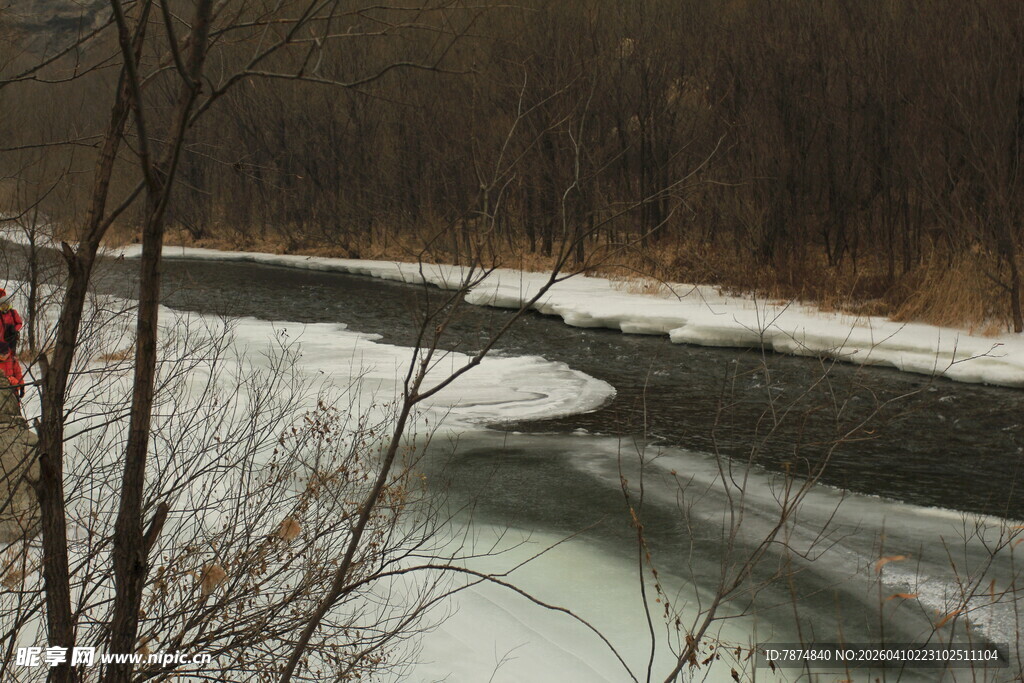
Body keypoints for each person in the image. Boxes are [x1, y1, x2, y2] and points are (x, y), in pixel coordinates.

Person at [0, 289, 23, 353]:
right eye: (1, 304)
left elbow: (19, 323)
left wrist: (14, 330)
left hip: (11, 338)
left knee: (11, 354)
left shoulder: (13, 312)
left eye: (4, 304)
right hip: (1, 339)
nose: (3, 306)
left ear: (7, 304)